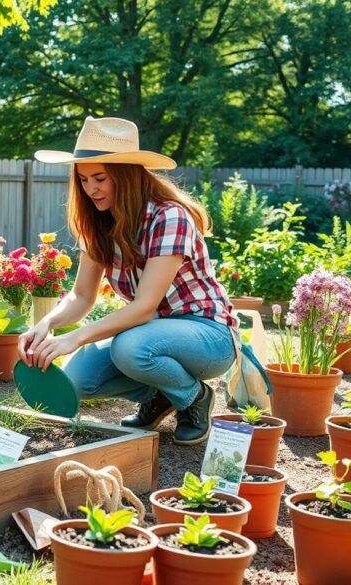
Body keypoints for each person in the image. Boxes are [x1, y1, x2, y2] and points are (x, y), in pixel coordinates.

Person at [18, 116, 264, 445]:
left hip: (208, 334)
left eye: (100, 178)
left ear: (126, 175)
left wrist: (74, 338)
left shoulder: (168, 216)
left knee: (130, 347)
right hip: (150, 335)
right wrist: (45, 324)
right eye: (84, 179)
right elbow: (80, 297)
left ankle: (193, 397)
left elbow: (144, 308)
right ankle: (162, 394)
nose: (91, 189)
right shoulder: (98, 224)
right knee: (78, 378)